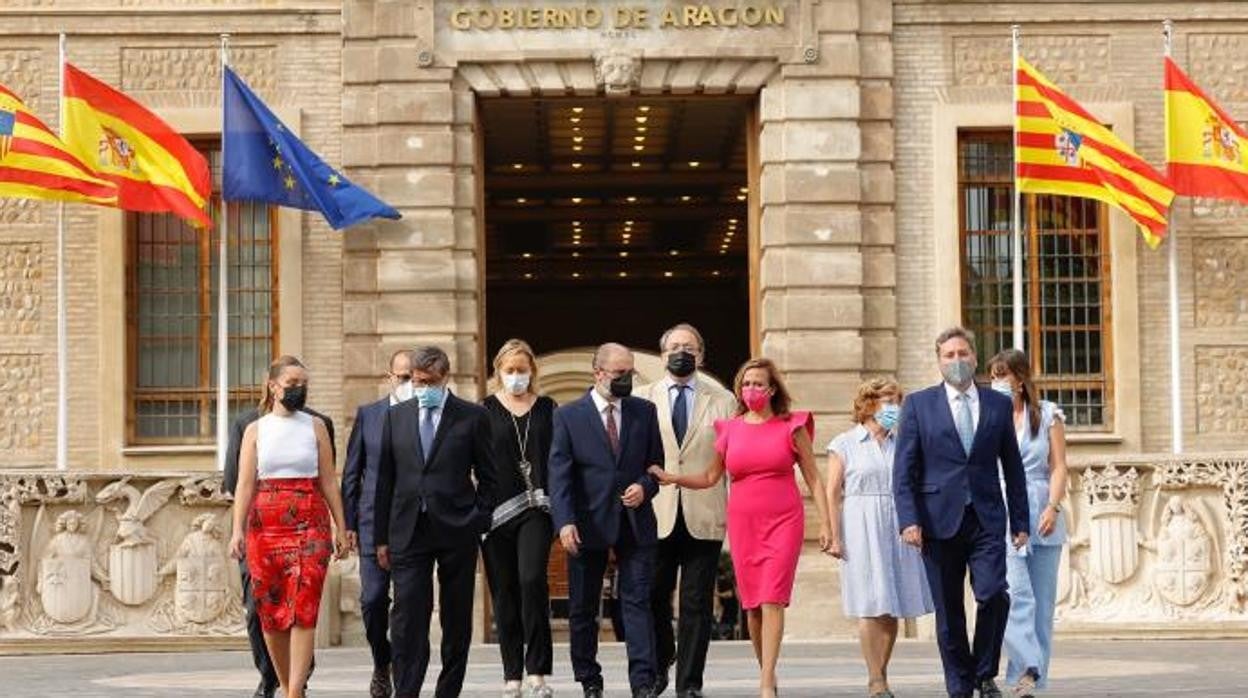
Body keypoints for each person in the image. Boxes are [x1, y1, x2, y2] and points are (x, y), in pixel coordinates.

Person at [650, 357, 833, 698]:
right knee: (752, 606)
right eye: (746, 384)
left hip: (784, 520)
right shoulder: (729, 428)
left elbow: (813, 477)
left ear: (772, 388)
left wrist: (826, 523)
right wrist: (672, 477)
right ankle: (767, 670)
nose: (751, 389)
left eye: (758, 384)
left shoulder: (791, 425)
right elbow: (709, 477)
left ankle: (765, 684)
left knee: (772, 598)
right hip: (744, 522)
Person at [892, 327, 1029, 698]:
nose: (957, 360)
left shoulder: (997, 405)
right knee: (949, 609)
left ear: (974, 357)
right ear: (938, 361)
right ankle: (960, 684)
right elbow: (904, 470)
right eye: (949, 355)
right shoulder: (918, 405)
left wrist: (1020, 521)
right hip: (937, 521)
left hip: (986, 517)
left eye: (963, 353)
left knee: (994, 595)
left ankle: (984, 673)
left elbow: (1012, 467)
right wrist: (909, 520)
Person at [373, 346, 497, 698]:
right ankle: (407, 690)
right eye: (415, 380)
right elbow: (383, 480)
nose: (420, 387)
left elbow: (489, 476)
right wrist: (380, 537)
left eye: (428, 381)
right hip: (408, 529)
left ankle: (448, 689)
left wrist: (479, 519)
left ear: (445, 378)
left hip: (457, 528)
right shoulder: (395, 417)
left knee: (456, 617)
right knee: (408, 614)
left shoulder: (472, 417)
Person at [228, 355, 351, 698]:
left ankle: (295, 691)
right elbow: (244, 485)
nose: (298, 390)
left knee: (304, 609)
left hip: (310, 522)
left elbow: (329, 481)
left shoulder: (316, 427)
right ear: (273, 385)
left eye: (303, 384)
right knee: (271, 611)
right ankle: (285, 685)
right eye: (292, 383)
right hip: (264, 525)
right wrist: (237, 530)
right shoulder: (255, 429)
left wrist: (341, 527)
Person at [548, 342, 664, 698]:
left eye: (629, 372)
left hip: (635, 523)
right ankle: (589, 679)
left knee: (637, 603)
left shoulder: (644, 411)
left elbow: (655, 467)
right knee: (583, 608)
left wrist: (645, 487)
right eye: (619, 373)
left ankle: (643, 681)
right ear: (598, 373)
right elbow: (559, 474)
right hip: (586, 524)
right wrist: (564, 521)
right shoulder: (568, 416)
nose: (626, 378)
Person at [634, 323, 736, 698]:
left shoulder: (723, 399)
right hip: (654, 514)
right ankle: (662, 660)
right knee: (652, 597)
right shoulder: (642, 397)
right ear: (662, 355)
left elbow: (731, 460)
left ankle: (690, 683)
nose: (682, 352)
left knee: (696, 603)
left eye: (689, 347)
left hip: (703, 513)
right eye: (675, 346)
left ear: (701, 355)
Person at [825, 377, 933, 698]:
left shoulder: (905, 441)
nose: (893, 406)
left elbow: (917, 484)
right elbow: (832, 491)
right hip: (860, 522)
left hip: (898, 522)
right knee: (869, 603)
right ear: (868, 402)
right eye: (887, 399)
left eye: (897, 400)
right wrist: (833, 534)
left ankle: (881, 674)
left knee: (891, 602)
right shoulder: (844, 442)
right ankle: (875, 678)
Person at [987, 349, 1069, 698]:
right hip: (1003, 511)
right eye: (992, 375)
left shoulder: (1048, 414)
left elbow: (1059, 465)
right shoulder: (988, 416)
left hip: (1041, 509)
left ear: (1019, 380)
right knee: (1017, 593)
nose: (996, 382)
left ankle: (1029, 680)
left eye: (1002, 374)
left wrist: (1052, 506)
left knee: (1042, 600)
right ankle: (1028, 663)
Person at [481, 339, 557, 698]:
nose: (516, 377)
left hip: (537, 510)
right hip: (495, 515)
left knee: (531, 581)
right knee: (504, 591)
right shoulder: (484, 410)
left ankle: (538, 669)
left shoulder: (547, 408)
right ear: (498, 372)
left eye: (521, 370)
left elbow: (557, 458)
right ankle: (512, 674)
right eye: (509, 371)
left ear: (532, 372)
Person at [341, 349, 414, 698]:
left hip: (412, 526)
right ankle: (381, 660)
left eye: (412, 377)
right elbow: (352, 472)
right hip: (371, 524)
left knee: (407, 604)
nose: (407, 383)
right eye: (401, 377)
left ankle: (402, 667)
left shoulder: (424, 415)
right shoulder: (369, 415)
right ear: (389, 377)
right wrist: (348, 522)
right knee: (372, 601)